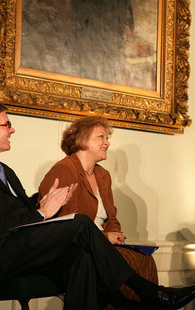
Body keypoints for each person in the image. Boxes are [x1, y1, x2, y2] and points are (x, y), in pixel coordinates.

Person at [0, 101, 195, 309]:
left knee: (81, 259)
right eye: (7, 125)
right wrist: (43, 212)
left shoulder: (6, 171)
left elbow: (21, 213)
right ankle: (152, 293)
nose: (12, 130)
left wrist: (40, 204)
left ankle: (147, 296)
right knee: (80, 222)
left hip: (21, 248)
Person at [38, 116, 157, 308]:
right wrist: (104, 237)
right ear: (81, 140)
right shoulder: (64, 170)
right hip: (75, 249)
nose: (107, 143)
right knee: (130, 262)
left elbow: (112, 217)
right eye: (101, 137)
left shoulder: (103, 175)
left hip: (102, 244)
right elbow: (67, 224)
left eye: (107, 137)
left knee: (145, 259)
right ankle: (154, 297)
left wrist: (115, 234)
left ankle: (154, 299)